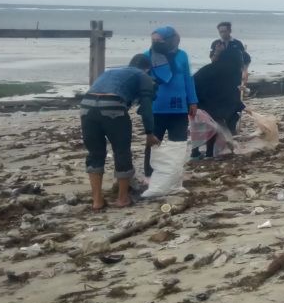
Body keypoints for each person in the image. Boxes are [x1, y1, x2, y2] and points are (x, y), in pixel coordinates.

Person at [80, 54, 158, 210]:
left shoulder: (111, 72)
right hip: (112, 105)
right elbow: (147, 108)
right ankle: (122, 198)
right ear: (148, 68)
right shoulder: (143, 75)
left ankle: (97, 201)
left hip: (86, 105)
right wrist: (150, 132)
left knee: (95, 153)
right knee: (121, 151)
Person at [143, 26, 197, 178]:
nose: (155, 43)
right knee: (153, 142)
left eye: (159, 40)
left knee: (178, 144)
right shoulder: (147, 55)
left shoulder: (182, 56)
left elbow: (188, 78)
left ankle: (175, 172)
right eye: (153, 40)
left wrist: (193, 100)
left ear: (170, 40)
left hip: (179, 107)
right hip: (156, 107)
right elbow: (140, 79)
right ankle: (149, 173)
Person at [193, 45, 246, 158]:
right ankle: (210, 152)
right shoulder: (234, 71)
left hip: (201, 100)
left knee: (200, 126)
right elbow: (231, 89)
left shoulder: (210, 68)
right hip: (215, 102)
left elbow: (194, 80)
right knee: (215, 126)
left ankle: (197, 152)